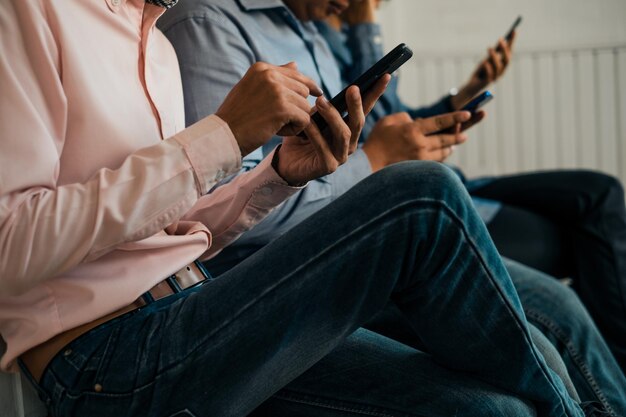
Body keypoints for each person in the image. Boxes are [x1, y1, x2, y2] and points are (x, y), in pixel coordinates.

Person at [0, 1, 608, 417]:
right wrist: (223, 136)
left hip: (191, 301)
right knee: (426, 195)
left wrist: (277, 175)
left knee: (494, 410)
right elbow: (8, 248)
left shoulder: (156, 42)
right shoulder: (27, 13)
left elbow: (167, 230)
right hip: (104, 360)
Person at [319, 0, 626, 372]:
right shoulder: (332, 37)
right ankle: (612, 368)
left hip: (458, 181)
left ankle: (610, 365)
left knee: (600, 192)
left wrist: (467, 92)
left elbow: (399, 119)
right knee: (588, 241)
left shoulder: (334, 36)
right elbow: (376, 122)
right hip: (429, 195)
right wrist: (366, 24)